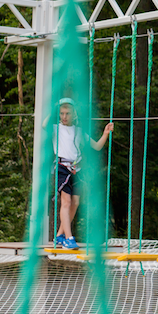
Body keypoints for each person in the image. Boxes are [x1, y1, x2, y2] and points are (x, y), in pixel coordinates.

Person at [53, 98, 113, 249]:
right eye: (61, 113)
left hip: (75, 169)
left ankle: (60, 235)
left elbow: (97, 146)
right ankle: (69, 237)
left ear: (74, 114)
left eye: (67, 113)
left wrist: (106, 133)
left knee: (76, 202)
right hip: (62, 167)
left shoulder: (79, 132)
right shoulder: (56, 128)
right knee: (65, 202)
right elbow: (43, 125)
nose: (64, 116)